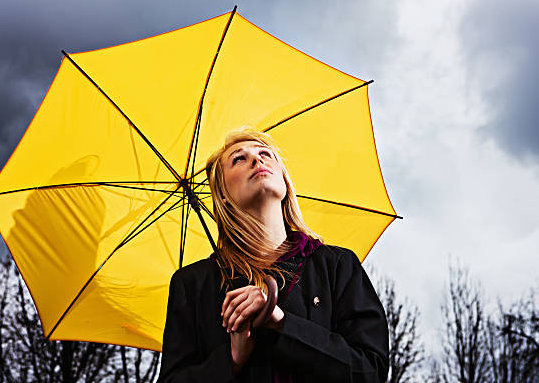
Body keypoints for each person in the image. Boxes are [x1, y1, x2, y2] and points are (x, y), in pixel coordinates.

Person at [157, 128, 388, 382]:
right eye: (239, 159)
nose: (257, 160)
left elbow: (370, 371)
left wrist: (280, 322)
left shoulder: (336, 266)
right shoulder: (193, 284)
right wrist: (231, 360)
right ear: (222, 193)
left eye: (265, 154)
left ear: (285, 181)